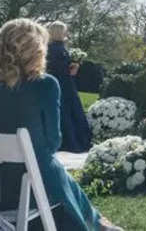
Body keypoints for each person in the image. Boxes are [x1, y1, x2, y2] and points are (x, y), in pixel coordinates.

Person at [0, 19, 122, 231]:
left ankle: (99, 222)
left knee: (51, 168)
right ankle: (98, 223)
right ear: (37, 49)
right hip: (31, 189)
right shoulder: (45, 84)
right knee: (50, 165)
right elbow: (53, 142)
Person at [46, 21, 92, 153]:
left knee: (69, 111)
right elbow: (57, 69)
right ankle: (73, 142)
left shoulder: (55, 47)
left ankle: (76, 141)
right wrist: (72, 68)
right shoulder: (55, 48)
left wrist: (73, 65)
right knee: (68, 112)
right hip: (63, 85)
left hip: (64, 84)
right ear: (60, 32)